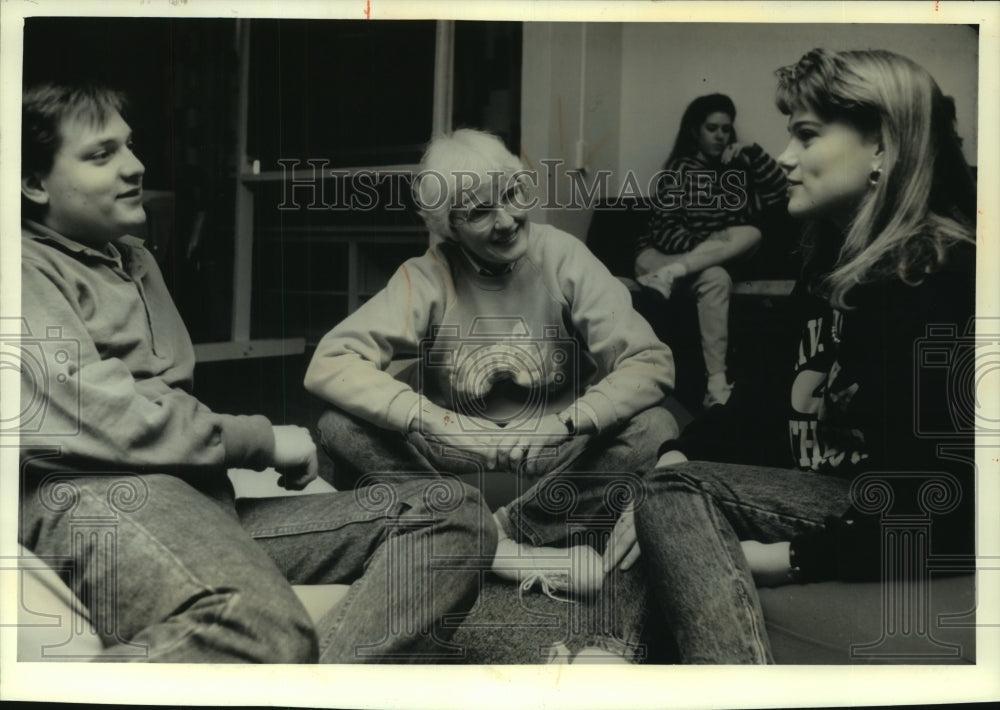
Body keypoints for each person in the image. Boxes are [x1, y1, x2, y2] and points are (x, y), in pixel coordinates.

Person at [17, 82, 496, 663]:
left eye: (130, 146)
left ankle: (320, 692)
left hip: (204, 504)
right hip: (103, 498)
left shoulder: (134, 259)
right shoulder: (20, 266)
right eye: (102, 155)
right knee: (252, 625)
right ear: (33, 183)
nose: (135, 166)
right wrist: (260, 439)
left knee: (454, 513)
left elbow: (161, 395)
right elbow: (103, 415)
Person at [621, 49, 977, 663]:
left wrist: (787, 560)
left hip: (867, 503)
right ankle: (603, 638)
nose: (785, 156)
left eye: (806, 135)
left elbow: (949, 504)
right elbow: (762, 396)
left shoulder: (937, 276)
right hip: (809, 486)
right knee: (650, 466)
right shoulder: (825, 259)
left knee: (673, 496)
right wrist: (680, 450)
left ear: (883, 149)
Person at [305, 128, 677, 599]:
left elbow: (650, 361)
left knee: (656, 426)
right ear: (450, 227)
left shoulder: (564, 256)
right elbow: (330, 361)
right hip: (453, 453)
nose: (506, 220)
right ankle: (488, 542)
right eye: (480, 212)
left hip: (556, 452)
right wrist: (441, 423)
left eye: (513, 194)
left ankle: (493, 536)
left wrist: (566, 423)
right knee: (339, 426)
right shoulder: (429, 273)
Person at [634, 93, 788, 408]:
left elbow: (782, 191)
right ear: (695, 131)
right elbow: (664, 232)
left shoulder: (738, 168)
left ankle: (716, 385)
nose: (720, 136)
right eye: (712, 128)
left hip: (688, 268)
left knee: (744, 243)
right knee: (715, 266)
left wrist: (753, 151)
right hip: (654, 257)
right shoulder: (679, 170)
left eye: (726, 130)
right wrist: (708, 246)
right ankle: (665, 273)